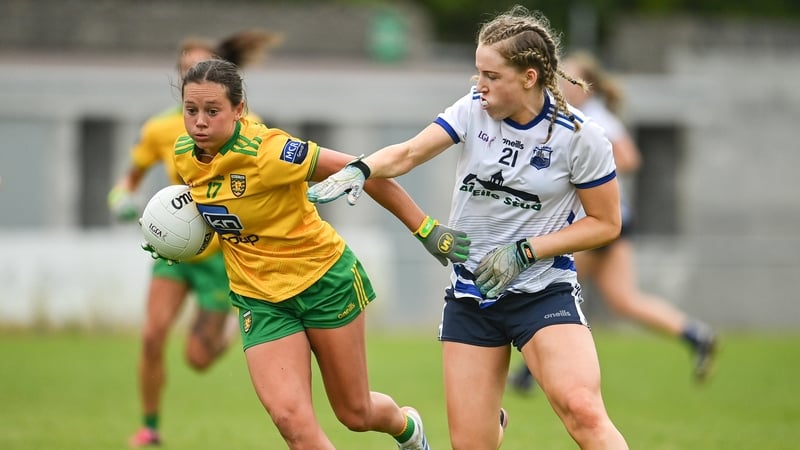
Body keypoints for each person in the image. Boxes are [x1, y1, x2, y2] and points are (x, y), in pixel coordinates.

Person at [307, 5, 629, 449]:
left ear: (529, 77)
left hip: (542, 291)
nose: (480, 85)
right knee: (471, 445)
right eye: (478, 72)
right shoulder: (473, 109)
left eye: (491, 76)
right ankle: (490, 421)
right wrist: (361, 169)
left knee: (583, 410)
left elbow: (605, 224)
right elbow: (408, 154)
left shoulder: (580, 137)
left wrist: (526, 251)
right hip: (472, 294)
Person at [161, 57, 473, 450]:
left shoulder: (269, 151)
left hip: (324, 282)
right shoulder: (184, 154)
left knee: (355, 413)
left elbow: (362, 171)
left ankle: (409, 429)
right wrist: (175, 240)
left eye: (212, 111)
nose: (199, 122)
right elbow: (225, 219)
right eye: (191, 110)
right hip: (260, 299)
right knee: (291, 422)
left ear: (239, 109)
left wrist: (425, 229)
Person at [107, 29, 283, 448]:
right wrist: (120, 198)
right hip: (174, 249)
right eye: (187, 69)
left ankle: (224, 332)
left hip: (221, 256)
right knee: (152, 335)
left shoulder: (251, 129)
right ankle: (150, 428)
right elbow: (129, 179)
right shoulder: (160, 129)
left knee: (197, 359)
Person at [507, 50, 718, 394]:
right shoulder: (576, 116)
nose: (563, 83)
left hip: (598, 222)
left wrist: (589, 176)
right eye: (562, 77)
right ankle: (696, 335)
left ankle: (528, 372)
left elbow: (630, 158)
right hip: (611, 221)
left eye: (570, 78)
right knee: (623, 300)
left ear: (586, 86)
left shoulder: (595, 118)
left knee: (549, 287)